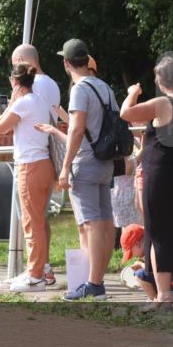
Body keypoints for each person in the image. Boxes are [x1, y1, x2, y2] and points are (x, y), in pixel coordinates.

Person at [120, 57, 173, 306]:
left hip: (162, 174)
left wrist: (132, 93)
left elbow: (126, 113)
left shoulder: (162, 103)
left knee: (158, 233)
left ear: (161, 80)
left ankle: (164, 295)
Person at [56, 39, 118, 301]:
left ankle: (93, 284)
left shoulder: (80, 89)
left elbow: (76, 128)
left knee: (91, 224)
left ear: (66, 63)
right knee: (105, 222)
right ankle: (98, 280)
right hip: (106, 161)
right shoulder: (104, 87)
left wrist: (66, 165)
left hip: (86, 162)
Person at [0, 63, 53, 292]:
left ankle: (35, 277)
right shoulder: (40, 101)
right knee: (39, 221)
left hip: (29, 166)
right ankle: (37, 270)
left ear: (14, 81)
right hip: (44, 164)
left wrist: (10, 101)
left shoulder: (23, 102)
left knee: (31, 223)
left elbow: (0, 127)